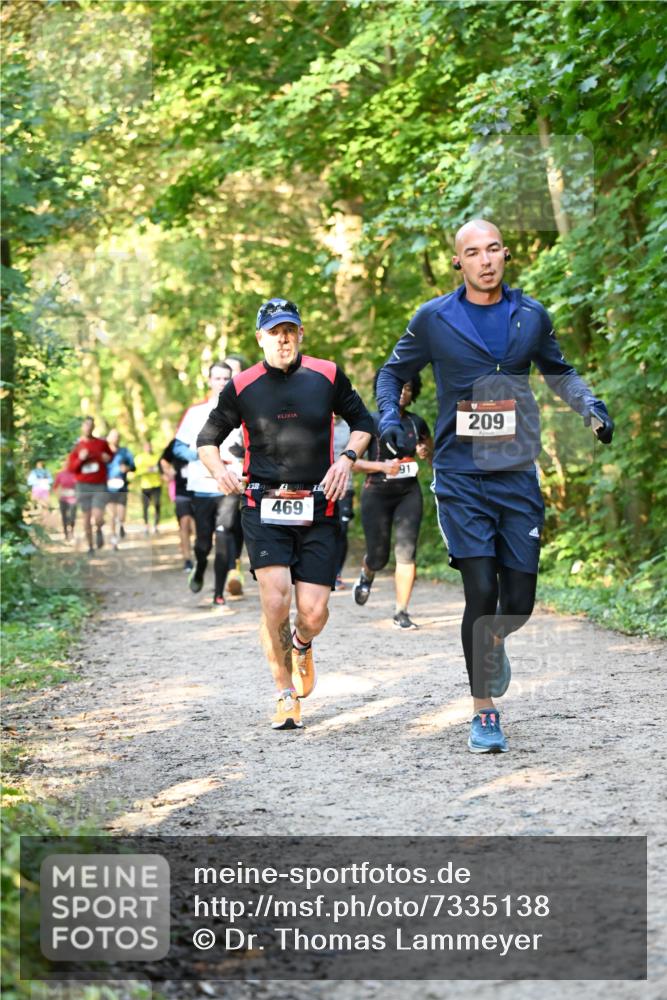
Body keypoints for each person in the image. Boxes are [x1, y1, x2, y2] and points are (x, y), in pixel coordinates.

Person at [375, 219, 614, 754]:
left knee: (520, 602)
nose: (485, 260)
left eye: (493, 250)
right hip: (460, 478)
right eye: (472, 253)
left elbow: (560, 371)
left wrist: (590, 407)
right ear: (458, 262)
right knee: (480, 591)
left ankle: (495, 640)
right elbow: (391, 373)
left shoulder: (530, 317)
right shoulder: (434, 319)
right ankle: (484, 711)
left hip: (515, 475)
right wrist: (390, 416)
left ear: (505, 254)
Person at [197, 297, 373, 731]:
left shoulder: (326, 374)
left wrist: (347, 459)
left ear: (300, 335)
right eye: (274, 332)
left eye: (290, 330)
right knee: (275, 600)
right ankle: (283, 693)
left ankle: (302, 644)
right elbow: (207, 438)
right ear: (261, 338)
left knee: (313, 613)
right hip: (263, 505)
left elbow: (365, 421)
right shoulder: (242, 386)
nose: (283, 338)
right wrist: (220, 471)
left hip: (319, 504)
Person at [352, 370, 433, 629]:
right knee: (379, 556)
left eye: (408, 388)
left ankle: (401, 612)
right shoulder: (370, 421)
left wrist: (425, 451)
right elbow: (351, 463)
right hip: (376, 493)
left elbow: (431, 455)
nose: (402, 392)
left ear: (413, 393)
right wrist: (382, 467)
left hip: (408, 493)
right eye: (397, 387)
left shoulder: (416, 423)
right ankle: (367, 574)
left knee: (406, 552)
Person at [174, 362, 245, 611]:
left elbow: (257, 445)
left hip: (229, 485)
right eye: (218, 378)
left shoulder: (243, 411)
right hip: (202, 485)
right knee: (203, 543)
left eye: (227, 378)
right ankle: (200, 564)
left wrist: (243, 452)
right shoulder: (195, 413)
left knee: (224, 536)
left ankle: (218, 595)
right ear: (209, 381)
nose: (222, 383)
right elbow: (177, 447)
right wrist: (201, 452)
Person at [66, 417, 112, 555]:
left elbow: (110, 457)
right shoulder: (76, 446)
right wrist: (80, 458)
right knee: (86, 518)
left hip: (99, 485)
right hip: (83, 485)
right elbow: (71, 469)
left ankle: (98, 529)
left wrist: (106, 457)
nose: (88, 428)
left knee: (98, 516)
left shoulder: (102, 443)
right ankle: (90, 547)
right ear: (82, 427)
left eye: (91, 425)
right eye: (86, 425)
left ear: (94, 427)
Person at [160, 438, 195, 571]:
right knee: (184, 522)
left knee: (196, 527)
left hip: (199, 490)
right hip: (182, 491)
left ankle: (199, 554)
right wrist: (167, 472)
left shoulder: (202, 436)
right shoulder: (176, 443)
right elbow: (162, 460)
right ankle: (187, 559)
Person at [332, 415, 355, 589]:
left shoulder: (349, 428)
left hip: (344, 487)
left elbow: (360, 459)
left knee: (342, 529)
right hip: (317, 487)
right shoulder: (313, 418)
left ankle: (337, 573)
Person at [104, 429, 135, 549]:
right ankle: (114, 540)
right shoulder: (104, 453)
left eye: (117, 436)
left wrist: (127, 468)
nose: (115, 438)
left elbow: (133, 467)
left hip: (122, 487)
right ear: (109, 438)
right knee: (112, 515)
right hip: (107, 488)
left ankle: (121, 525)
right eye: (113, 436)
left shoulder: (125, 451)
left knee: (121, 516)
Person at [133, 441, 163, 535]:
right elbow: (136, 472)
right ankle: (146, 526)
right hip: (145, 486)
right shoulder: (139, 458)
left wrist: (157, 470)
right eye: (146, 446)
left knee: (157, 504)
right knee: (145, 506)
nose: (148, 448)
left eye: (149, 446)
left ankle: (156, 525)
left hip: (157, 484)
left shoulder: (157, 457)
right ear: (144, 447)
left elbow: (161, 469)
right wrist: (147, 470)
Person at [53, 464, 78, 540]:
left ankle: (72, 531)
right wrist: (58, 496)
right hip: (63, 499)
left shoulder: (75, 474)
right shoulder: (60, 474)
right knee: (64, 516)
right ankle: (66, 533)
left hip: (73, 498)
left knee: (72, 516)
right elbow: (55, 486)